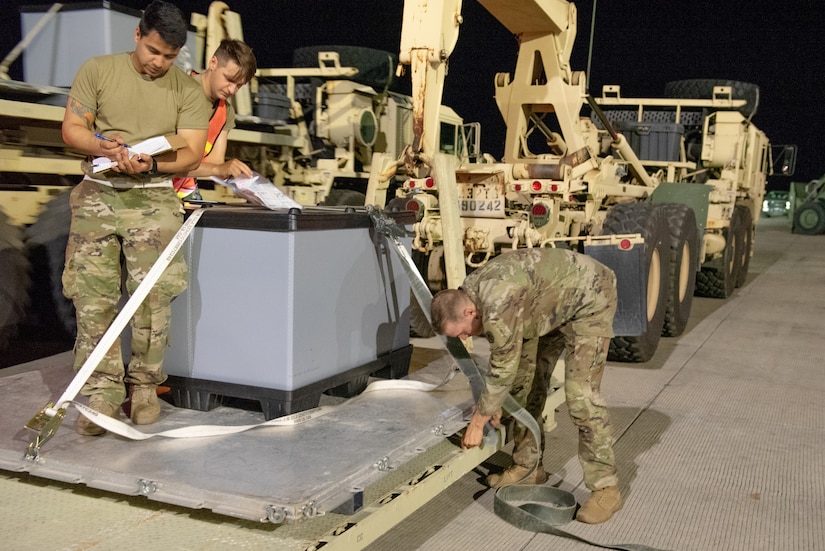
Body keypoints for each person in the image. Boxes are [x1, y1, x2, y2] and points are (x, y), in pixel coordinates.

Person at [61, 0, 211, 436]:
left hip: (153, 198)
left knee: (153, 298)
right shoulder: (98, 70)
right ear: (137, 36)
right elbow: (72, 129)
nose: (159, 63)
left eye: (169, 56)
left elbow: (191, 152)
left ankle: (144, 387)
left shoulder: (185, 90)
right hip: (97, 197)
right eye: (153, 51)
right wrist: (101, 146)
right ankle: (102, 394)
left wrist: (152, 166)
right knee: (92, 299)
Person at [430, 247, 622, 524]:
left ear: (470, 311)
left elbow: (502, 367)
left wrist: (479, 420)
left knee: (582, 398)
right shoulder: (472, 291)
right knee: (524, 385)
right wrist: (493, 402)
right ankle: (529, 467)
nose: (462, 338)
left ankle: (606, 488)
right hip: (548, 306)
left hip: (590, 296)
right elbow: (508, 373)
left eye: (461, 331)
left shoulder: (497, 303)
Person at [173, 39, 257, 200]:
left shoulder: (225, 112)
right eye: (230, 80)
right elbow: (163, 163)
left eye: (239, 85)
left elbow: (214, 164)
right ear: (213, 62)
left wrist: (236, 178)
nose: (232, 89)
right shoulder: (178, 92)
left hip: (183, 191)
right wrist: (217, 170)